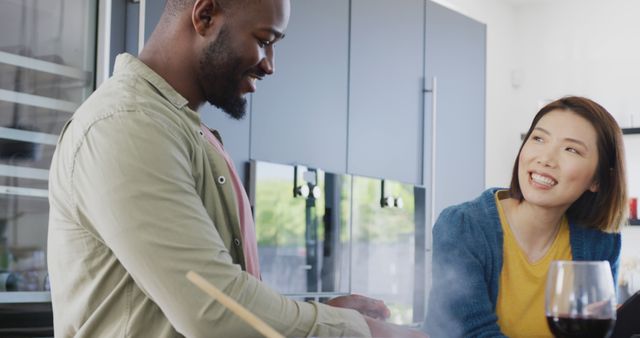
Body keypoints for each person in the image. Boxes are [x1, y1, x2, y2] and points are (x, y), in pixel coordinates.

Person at [47, 0, 427, 337]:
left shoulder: (183, 130)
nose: (270, 65)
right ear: (205, 15)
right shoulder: (127, 125)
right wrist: (366, 332)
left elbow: (215, 298)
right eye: (264, 40)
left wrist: (319, 316)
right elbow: (212, 310)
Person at [424, 96, 627, 337]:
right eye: (539, 139)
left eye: (571, 149)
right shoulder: (461, 227)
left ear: (598, 179)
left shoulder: (600, 241)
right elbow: (469, 333)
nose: (545, 159)